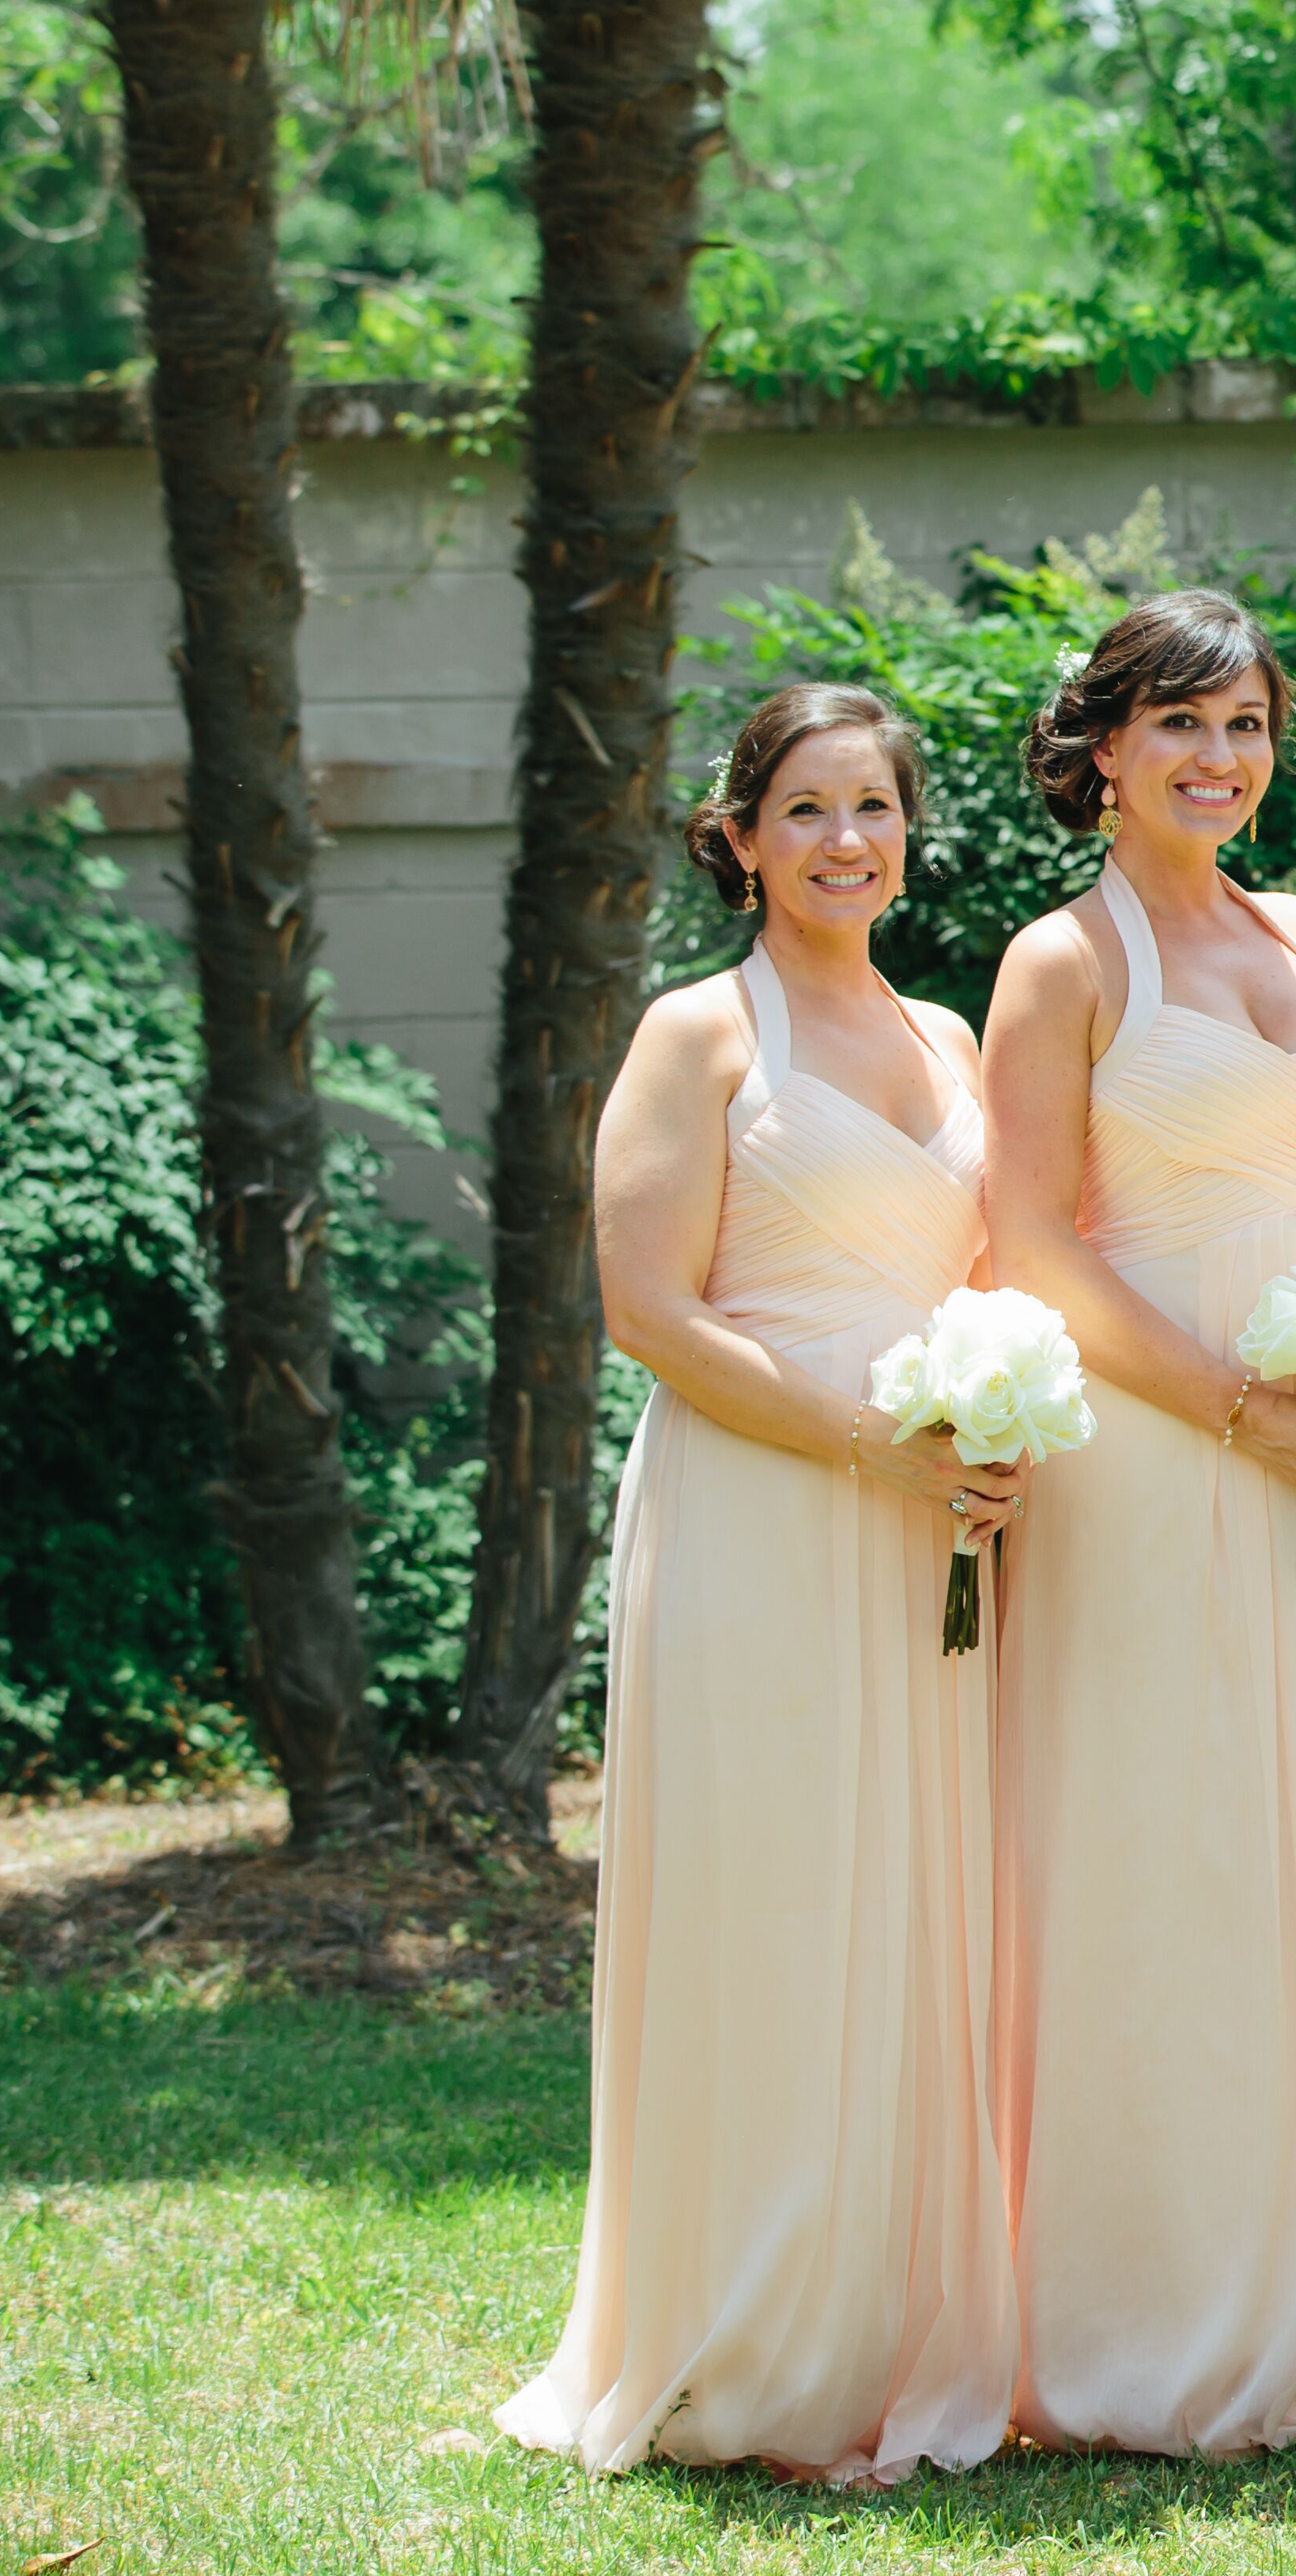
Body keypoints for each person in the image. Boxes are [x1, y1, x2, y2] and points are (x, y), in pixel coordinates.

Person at [500, 684, 1016, 2480]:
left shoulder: (950, 1040)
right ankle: (741, 2341)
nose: (846, 842)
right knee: (772, 1899)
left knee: (914, 1907)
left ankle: (883, 2324)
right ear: (736, 837)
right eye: (805, 810)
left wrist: (986, 1421)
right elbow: (652, 1309)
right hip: (761, 1509)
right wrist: (872, 1444)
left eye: (872, 806)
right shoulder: (697, 1037)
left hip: (936, 1523)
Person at [979, 590, 1296, 2451]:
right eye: (1180, 726)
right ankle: (1136, 2321)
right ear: (1102, 745)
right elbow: (1023, 1245)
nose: (1219, 762)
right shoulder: (1059, 964)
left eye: (1244, 727)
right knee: (1154, 1860)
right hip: (1156, 1455)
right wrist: (1234, 1410)